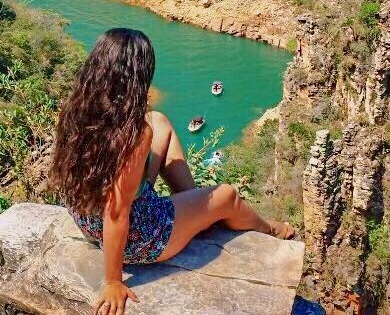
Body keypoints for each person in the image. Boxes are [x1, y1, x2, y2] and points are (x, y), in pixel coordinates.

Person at [49, 28, 295, 315]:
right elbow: (116, 213)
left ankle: (194, 208)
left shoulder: (75, 109)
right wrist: (113, 280)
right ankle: (271, 229)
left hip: (86, 217)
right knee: (227, 196)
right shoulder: (133, 135)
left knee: (161, 122)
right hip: (140, 237)